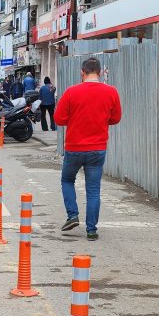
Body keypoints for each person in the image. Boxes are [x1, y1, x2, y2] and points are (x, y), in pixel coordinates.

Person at [54, 58, 121, 241]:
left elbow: (59, 119)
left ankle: (72, 215)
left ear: (82, 72)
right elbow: (115, 118)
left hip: (74, 147)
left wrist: (75, 119)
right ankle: (91, 230)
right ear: (99, 73)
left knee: (67, 180)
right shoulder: (111, 92)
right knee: (93, 189)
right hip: (97, 149)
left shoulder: (71, 92)